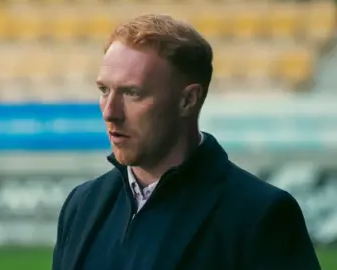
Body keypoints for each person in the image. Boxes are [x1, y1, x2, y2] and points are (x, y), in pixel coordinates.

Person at [52, 14, 321, 270]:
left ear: (188, 100)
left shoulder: (260, 214)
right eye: (104, 90)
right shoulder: (82, 205)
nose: (110, 112)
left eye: (132, 93)